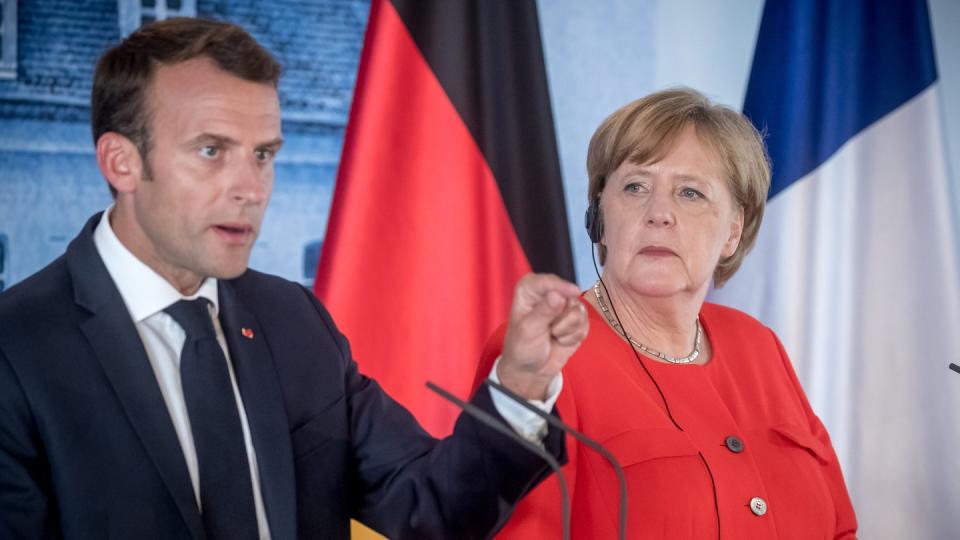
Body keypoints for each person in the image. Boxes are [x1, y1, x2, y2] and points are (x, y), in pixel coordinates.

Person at [0, 18, 589, 540]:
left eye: (263, 154)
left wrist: (520, 383)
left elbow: (428, 506)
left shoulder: (294, 319)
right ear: (121, 162)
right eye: (212, 151)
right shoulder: (17, 350)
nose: (251, 188)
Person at [476, 89, 858, 538]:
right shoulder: (544, 353)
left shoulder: (759, 347)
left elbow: (839, 527)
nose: (659, 213)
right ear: (599, 216)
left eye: (691, 193)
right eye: (635, 186)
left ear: (733, 231)